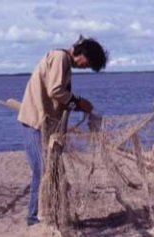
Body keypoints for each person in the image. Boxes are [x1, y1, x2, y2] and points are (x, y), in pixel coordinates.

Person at [17, 35, 108, 226]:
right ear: (81, 53)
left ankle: (50, 213)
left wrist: (76, 105)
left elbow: (58, 97)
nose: (85, 67)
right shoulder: (60, 58)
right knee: (43, 170)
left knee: (52, 170)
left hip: (45, 125)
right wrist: (79, 102)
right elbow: (55, 91)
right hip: (35, 123)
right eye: (88, 63)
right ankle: (33, 219)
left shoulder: (63, 61)